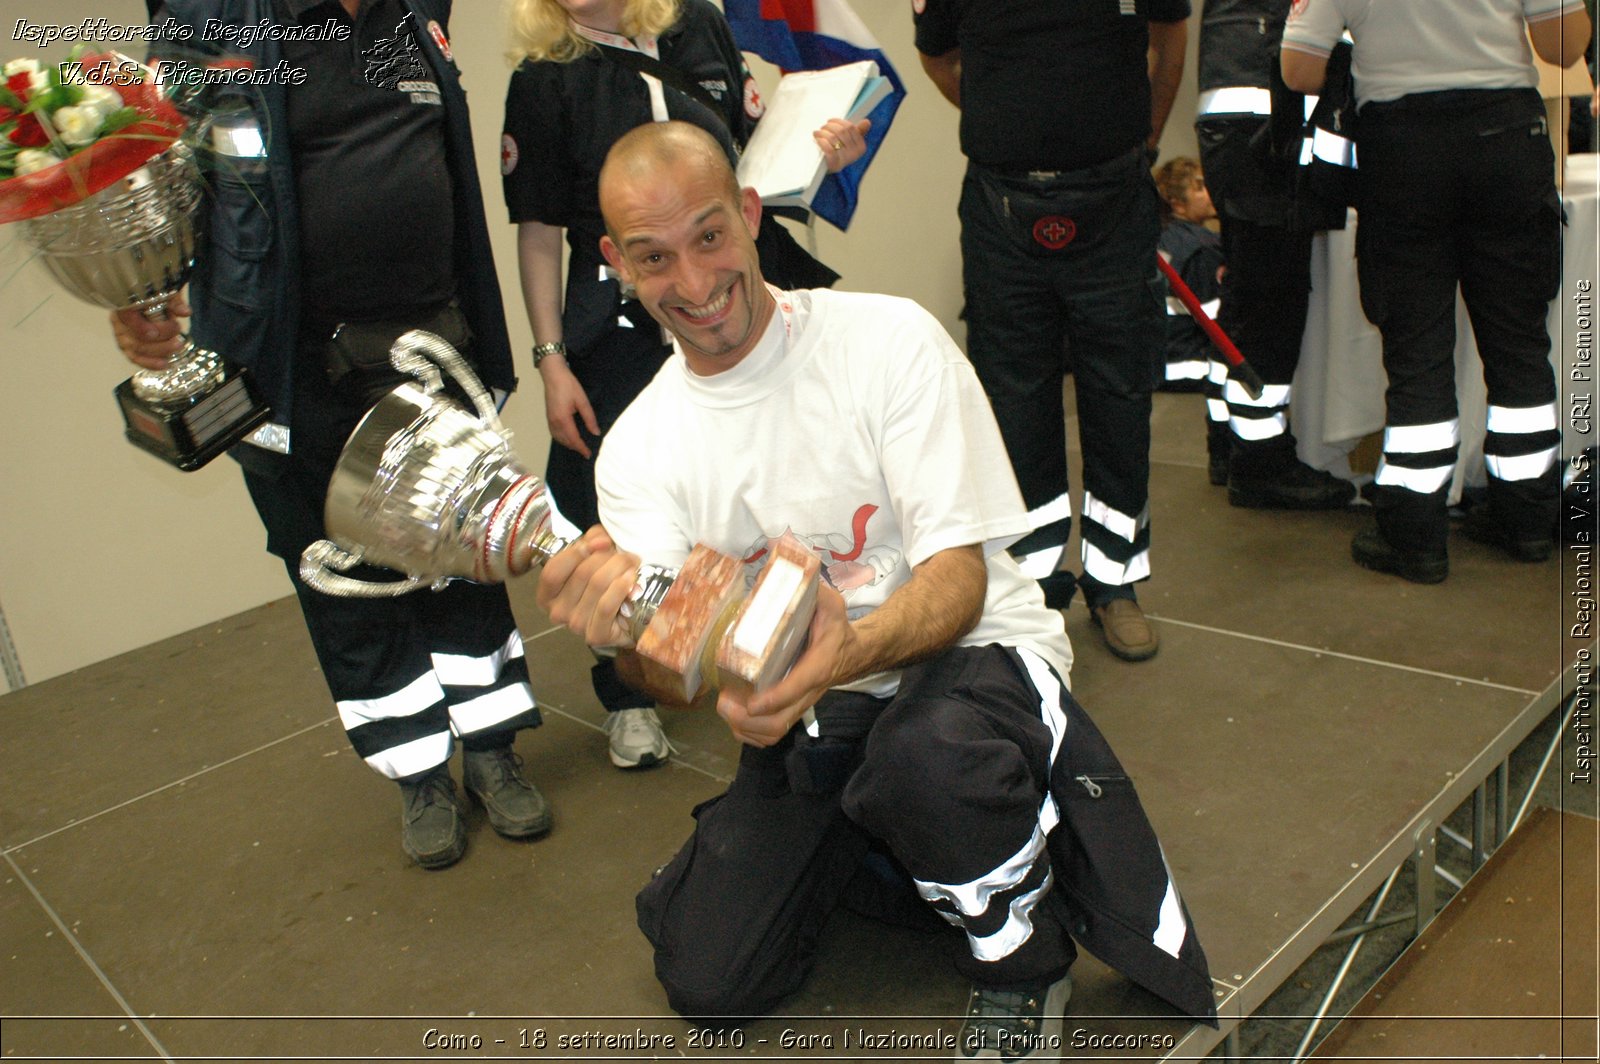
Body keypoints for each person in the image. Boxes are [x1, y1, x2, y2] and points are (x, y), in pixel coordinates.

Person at [537, 121, 1216, 1059]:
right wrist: (632, 638)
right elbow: (682, 666)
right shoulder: (641, 449)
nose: (692, 285)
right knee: (711, 976)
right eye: (654, 258)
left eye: (708, 237)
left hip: (973, 662)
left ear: (746, 213)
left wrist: (835, 658)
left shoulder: (885, 340)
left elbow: (958, 582)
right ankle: (935, 848)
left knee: (924, 755)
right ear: (615, 261)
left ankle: (1021, 959)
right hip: (831, 711)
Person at [111, 0, 550, 869]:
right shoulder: (214, 24)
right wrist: (146, 295)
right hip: (298, 374)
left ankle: (493, 745)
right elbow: (164, 187)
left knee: (460, 557)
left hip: (434, 348)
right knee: (347, 584)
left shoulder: (414, 15)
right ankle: (417, 770)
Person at [501, 0, 867, 769]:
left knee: (779, 449)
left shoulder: (696, 26)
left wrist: (820, 153)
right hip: (618, 322)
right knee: (609, 493)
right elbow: (538, 234)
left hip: (731, 294)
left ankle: (808, 619)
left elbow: (753, 161)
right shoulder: (545, 79)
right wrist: (550, 357)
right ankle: (631, 693)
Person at [912, 0, 1190, 664]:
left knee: (1118, 397)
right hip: (1003, 209)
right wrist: (1009, 117)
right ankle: (1030, 586)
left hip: (1114, 202)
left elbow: (1170, 35)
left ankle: (1115, 582)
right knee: (1014, 405)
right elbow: (938, 56)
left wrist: (1142, 133)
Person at [1282, 0, 1592, 582]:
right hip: (1506, 139)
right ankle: (1526, 520)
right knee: (1518, 342)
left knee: (1416, 348)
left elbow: (1299, 70)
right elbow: (1564, 46)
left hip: (1402, 149)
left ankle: (1415, 534)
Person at [1193, 0, 1359, 510]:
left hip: (1237, 125)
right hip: (1272, 132)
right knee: (1273, 305)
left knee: (1246, 294)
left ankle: (1231, 443)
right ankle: (1261, 462)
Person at [1153, 157, 1232, 483]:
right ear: (1177, 203)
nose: (1209, 192)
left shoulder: (1158, 241)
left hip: (1155, 367)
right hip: (1190, 368)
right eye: (1199, 186)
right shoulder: (1203, 251)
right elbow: (1220, 327)